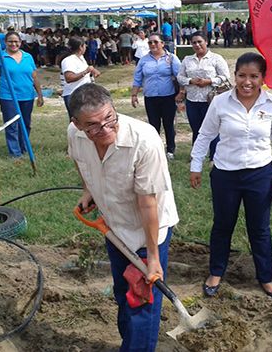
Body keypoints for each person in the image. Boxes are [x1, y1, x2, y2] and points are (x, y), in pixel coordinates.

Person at [67, 83, 179, 351]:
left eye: (110, 119)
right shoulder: (74, 133)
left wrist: (153, 258)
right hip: (113, 227)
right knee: (123, 292)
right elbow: (79, 160)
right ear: (77, 123)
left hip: (145, 232)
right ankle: (130, 343)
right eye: (93, 125)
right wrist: (88, 190)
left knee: (140, 301)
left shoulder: (144, 141)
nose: (105, 129)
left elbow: (148, 204)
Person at [190, 52, 272, 300]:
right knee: (223, 225)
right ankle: (215, 273)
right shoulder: (220, 102)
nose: (247, 82)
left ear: (262, 78)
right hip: (226, 175)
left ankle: (266, 278)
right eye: (242, 76)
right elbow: (205, 135)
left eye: (254, 76)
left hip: (260, 175)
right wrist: (196, 165)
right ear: (234, 76)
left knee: (259, 229)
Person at [176, 31, 230, 162]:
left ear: (206, 42)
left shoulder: (216, 58)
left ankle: (214, 157)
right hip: (192, 100)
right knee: (196, 129)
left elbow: (225, 77)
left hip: (211, 100)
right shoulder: (187, 60)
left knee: (212, 128)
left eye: (199, 41)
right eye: (194, 42)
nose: (197, 45)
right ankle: (197, 155)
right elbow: (180, 77)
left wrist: (209, 81)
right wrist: (190, 81)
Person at [0, 32, 44, 160]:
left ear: (21, 42)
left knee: (25, 124)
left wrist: (40, 94)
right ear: (5, 42)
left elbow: (34, 77)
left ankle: (23, 148)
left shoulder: (28, 57)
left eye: (16, 41)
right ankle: (15, 153)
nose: (14, 44)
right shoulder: (0, 57)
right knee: (12, 124)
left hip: (27, 96)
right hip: (8, 96)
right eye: (10, 41)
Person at [131, 33, 181, 160]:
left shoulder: (171, 58)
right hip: (150, 97)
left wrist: (181, 93)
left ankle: (170, 150)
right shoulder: (144, 60)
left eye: (156, 42)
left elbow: (180, 76)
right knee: (153, 125)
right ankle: (155, 150)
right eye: (150, 42)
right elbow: (137, 78)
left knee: (168, 124)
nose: (153, 44)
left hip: (168, 96)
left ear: (162, 43)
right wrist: (134, 94)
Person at [61, 36, 101, 119]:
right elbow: (69, 78)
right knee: (77, 121)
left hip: (84, 93)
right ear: (80, 47)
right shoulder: (69, 60)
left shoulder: (81, 58)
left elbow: (87, 69)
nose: (86, 47)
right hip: (73, 94)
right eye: (84, 45)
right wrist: (85, 71)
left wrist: (92, 70)